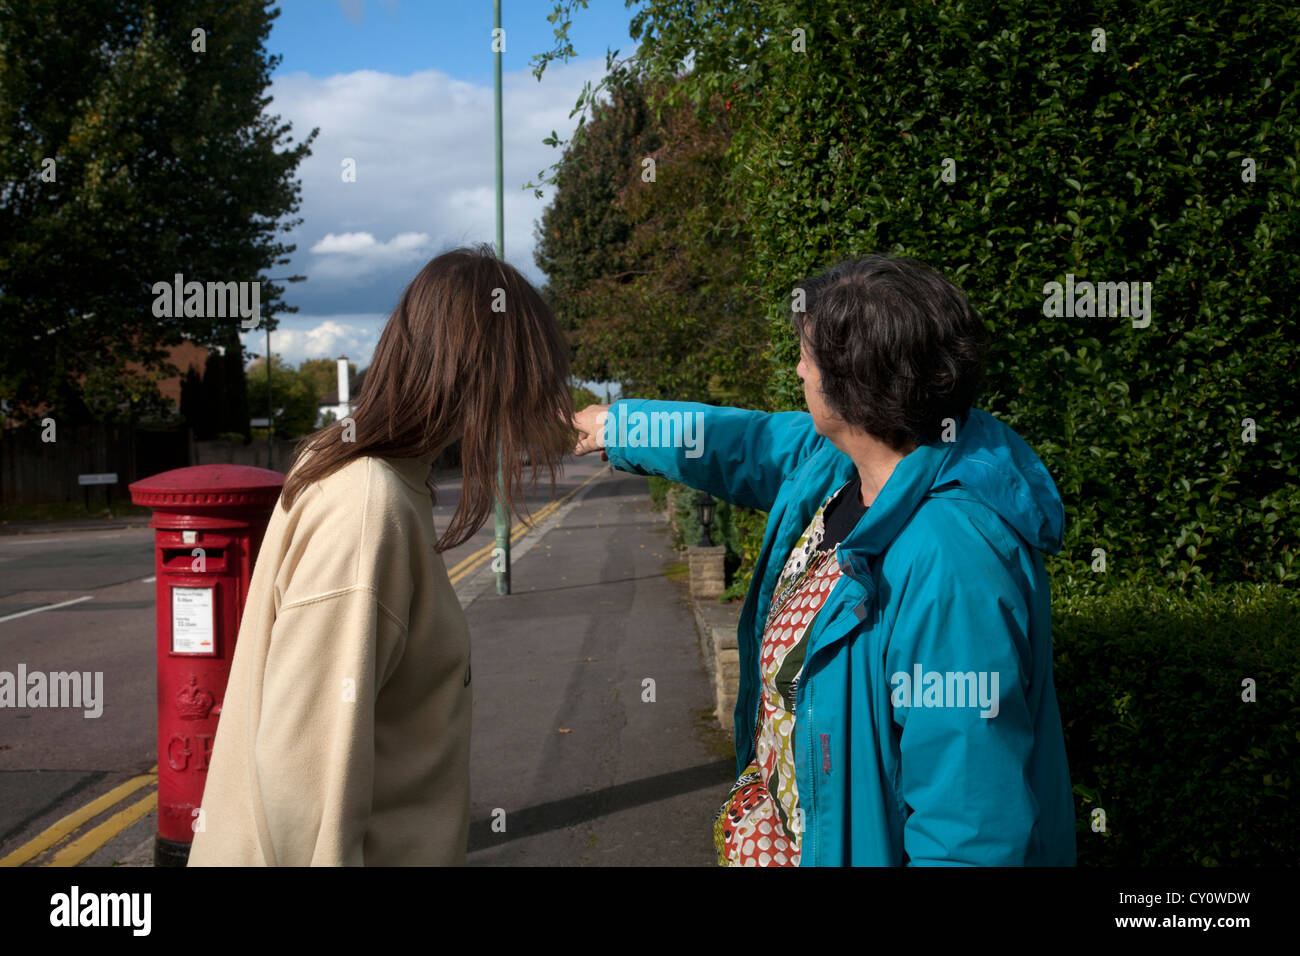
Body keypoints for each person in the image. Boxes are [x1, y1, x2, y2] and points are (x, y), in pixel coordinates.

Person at [572, 254, 1077, 866]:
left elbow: (969, 824)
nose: (797, 368)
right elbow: (742, 443)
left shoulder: (951, 561)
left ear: (854, 381)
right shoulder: (841, 465)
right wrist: (616, 423)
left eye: (807, 356)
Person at [188, 245, 572, 866]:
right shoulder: (369, 508)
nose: (530, 410)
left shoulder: (365, 477)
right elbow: (303, 788)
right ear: (480, 376)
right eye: (526, 382)